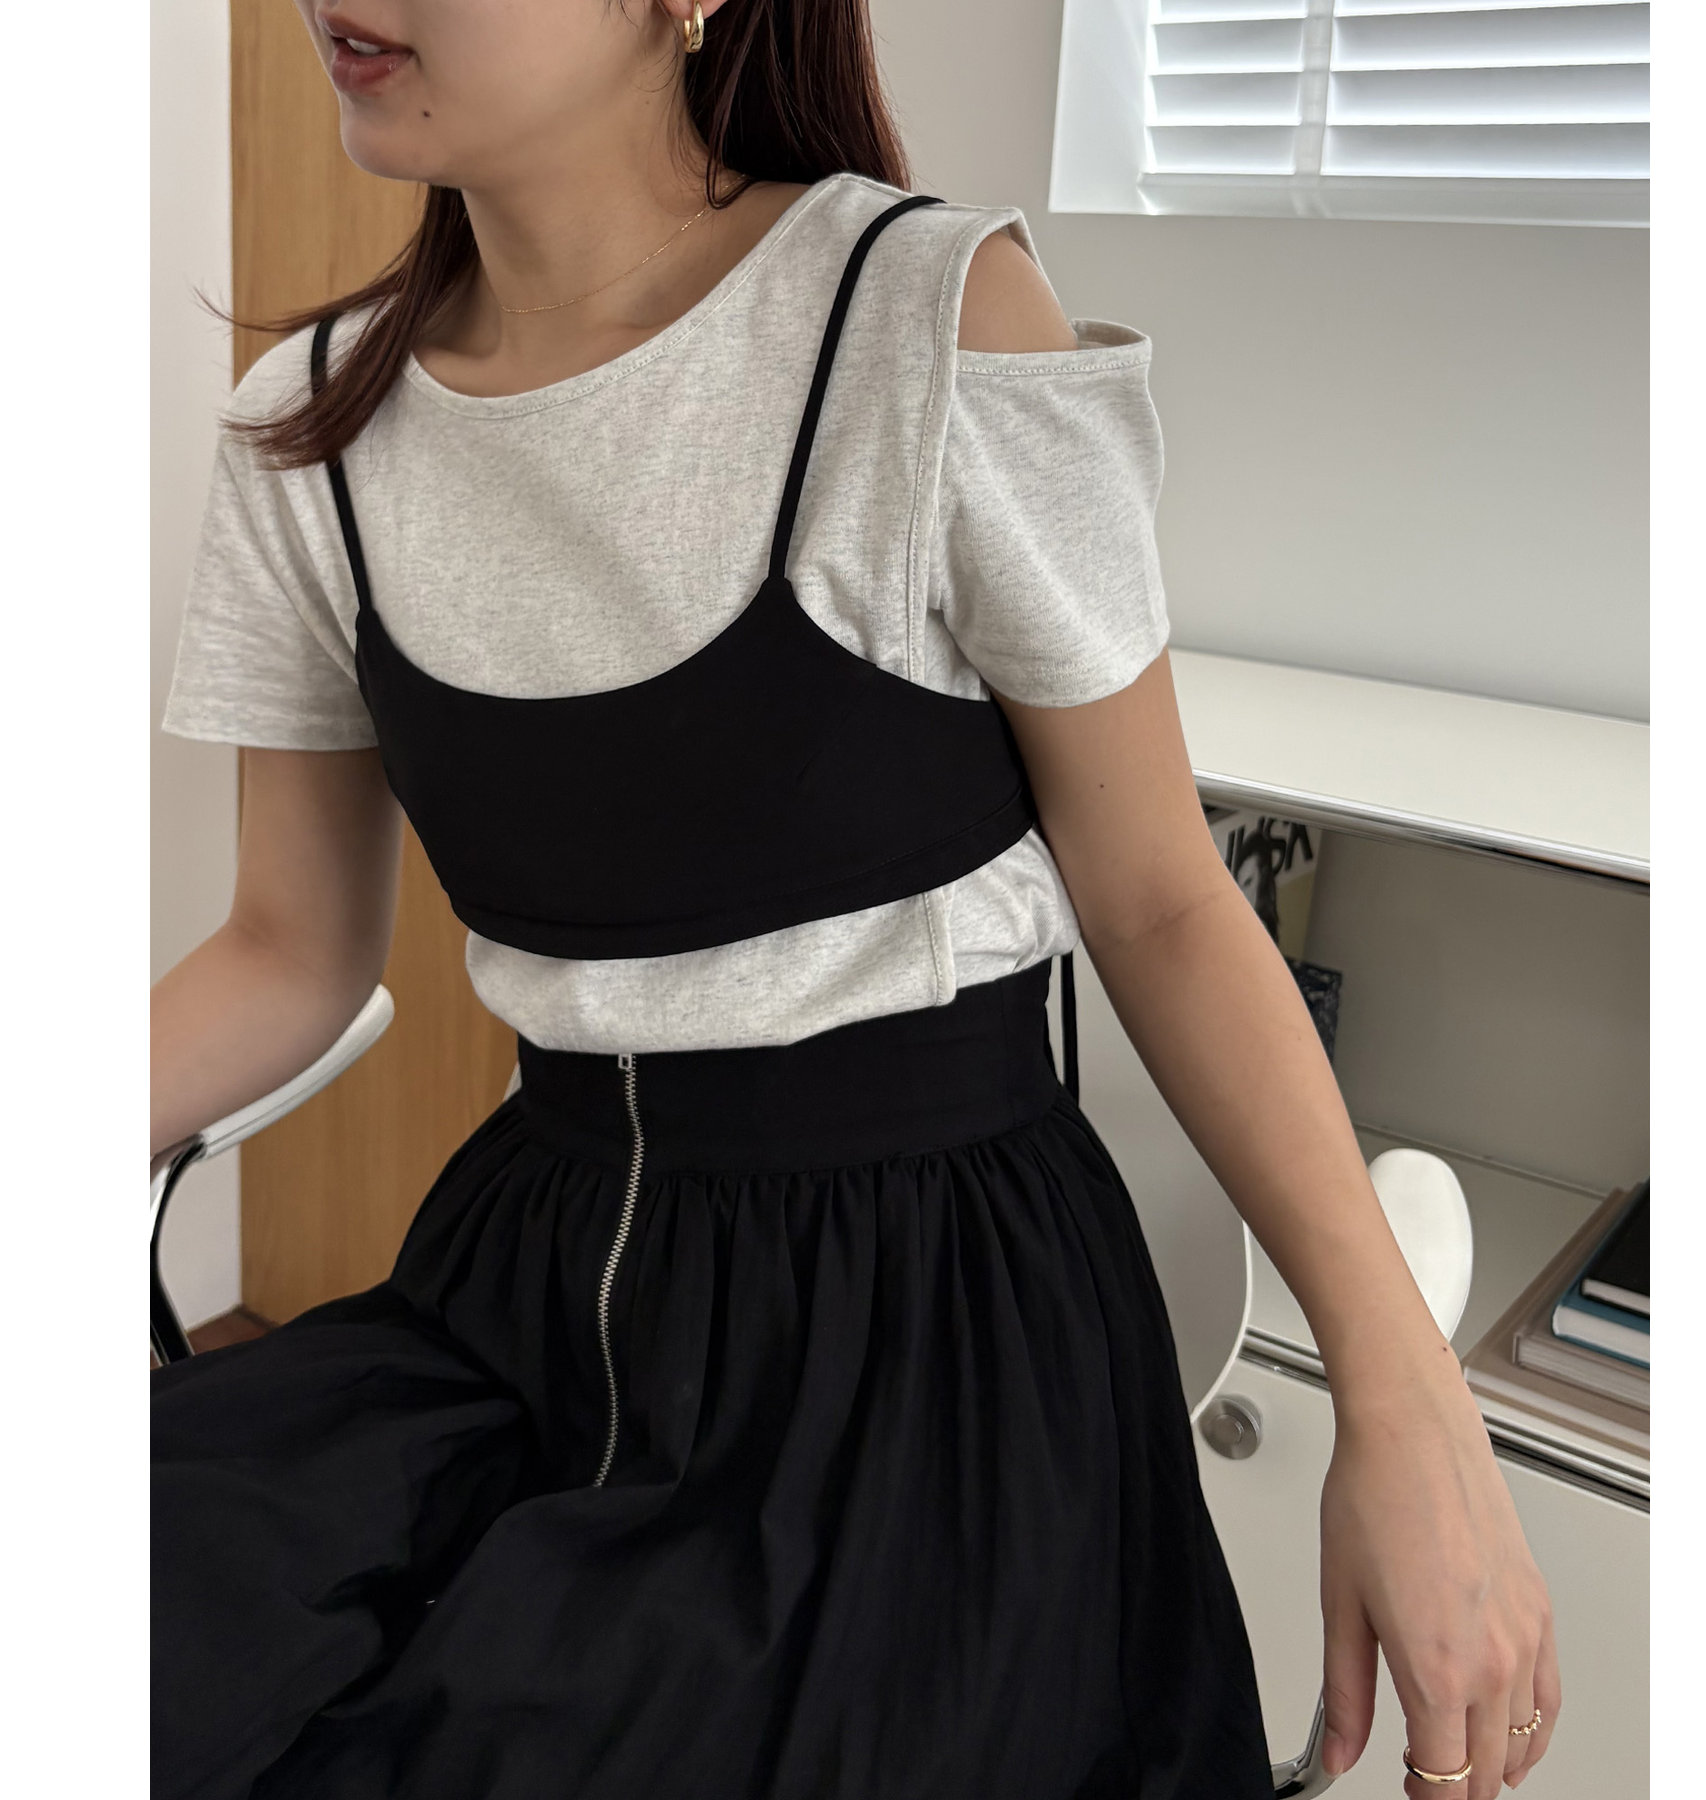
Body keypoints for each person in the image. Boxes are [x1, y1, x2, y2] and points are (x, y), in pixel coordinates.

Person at [149, 3, 1560, 1798]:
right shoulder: (318, 424)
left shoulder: (931, 325)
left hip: (932, 1342)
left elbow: (1158, 901)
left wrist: (1407, 1399)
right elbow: (289, 952)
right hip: (526, 1291)